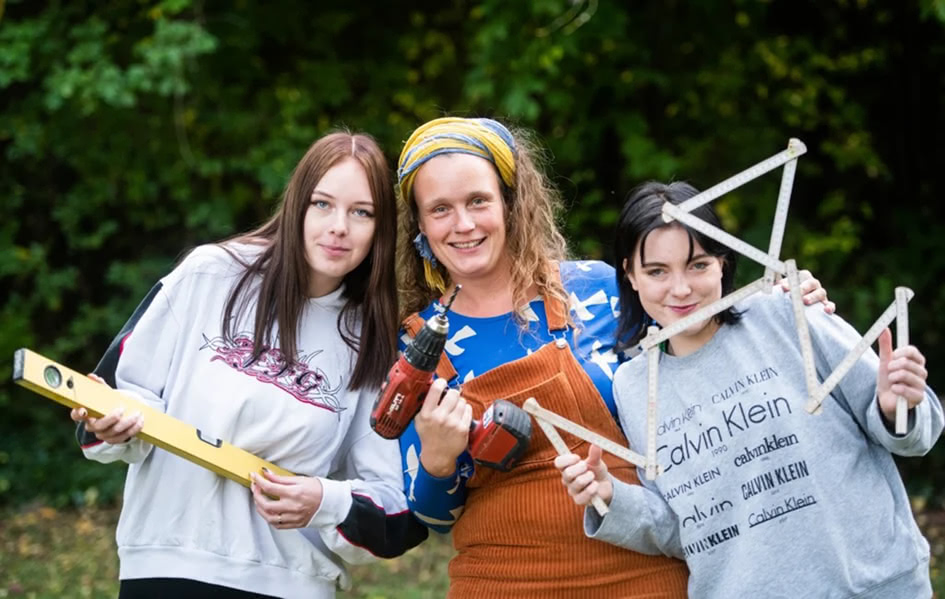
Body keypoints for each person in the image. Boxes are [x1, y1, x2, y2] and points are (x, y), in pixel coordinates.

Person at [394, 117, 832, 598]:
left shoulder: (598, 290)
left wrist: (775, 303)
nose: (464, 224)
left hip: (643, 572)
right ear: (419, 223)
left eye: (478, 200)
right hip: (501, 582)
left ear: (510, 202)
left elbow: (708, 341)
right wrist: (437, 459)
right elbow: (433, 517)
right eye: (440, 209)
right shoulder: (419, 346)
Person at [71, 131, 427, 599]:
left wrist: (325, 500)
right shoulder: (209, 275)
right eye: (323, 204)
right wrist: (112, 420)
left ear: (380, 231)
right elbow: (121, 393)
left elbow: (395, 507)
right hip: (164, 564)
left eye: (362, 212)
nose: (339, 226)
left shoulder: (373, 342)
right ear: (297, 204)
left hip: (287, 583)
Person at [555, 181, 943, 598]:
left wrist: (894, 406)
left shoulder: (786, 312)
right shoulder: (633, 387)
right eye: (656, 272)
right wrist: (609, 496)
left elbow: (914, 436)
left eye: (698, 264)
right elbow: (685, 530)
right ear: (629, 275)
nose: (681, 289)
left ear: (723, 262)